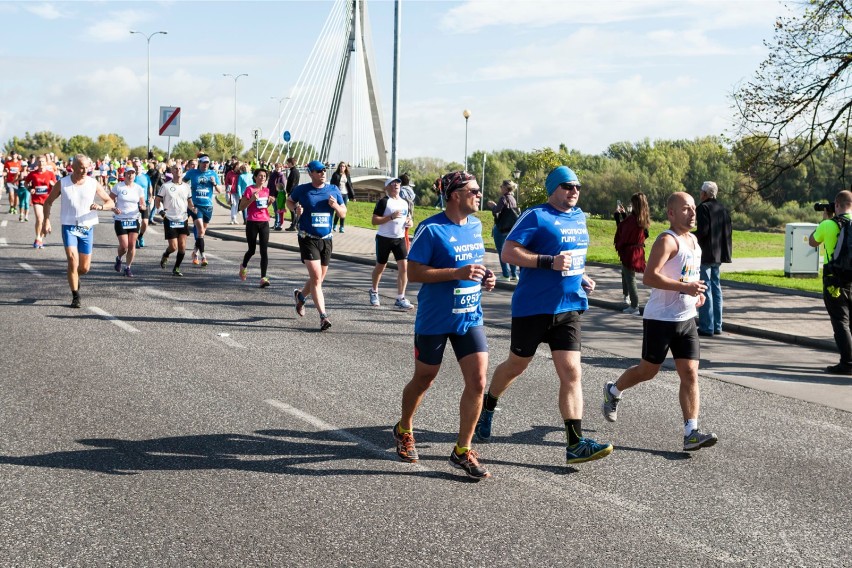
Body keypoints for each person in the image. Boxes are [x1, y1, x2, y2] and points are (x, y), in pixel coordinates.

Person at [474, 166, 613, 465]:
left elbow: (570, 255)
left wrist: (582, 275)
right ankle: (488, 405)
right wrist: (549, 262)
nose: (574, 190)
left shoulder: (579, 217)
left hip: (568, 307)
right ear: (553, 189)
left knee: (572, 372)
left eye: (577, 186)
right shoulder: (536, 215)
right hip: (533, 308)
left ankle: (574, 444)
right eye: (566, 186)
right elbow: (508, 253)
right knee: (516, 365)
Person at [393, 170, 497, 480]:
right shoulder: (431, 228)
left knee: (478, 381)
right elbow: (414, 272)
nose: (479, 194)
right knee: (425, 378)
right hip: (436, 318)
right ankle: (403, 428)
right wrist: (457, 273)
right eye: (473, 190)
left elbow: (474, 267)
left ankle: (462, 451)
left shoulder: (476, 225)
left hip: (469, 317)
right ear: (455, 195)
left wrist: (485, 277)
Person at [602, 192, 718, 451]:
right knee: (648, 371)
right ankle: (613, 391)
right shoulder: (667, 240)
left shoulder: (694, 242)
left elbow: (690, 276)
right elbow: (650, 278)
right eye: (685, 209)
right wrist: (685, 287)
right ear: (671, 214)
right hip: (660, 319)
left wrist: (696, 294)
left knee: (689, 374)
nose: (692, 213)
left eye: (693, 209)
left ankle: (691, 432)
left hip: (686, 319)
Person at [42, 154, 115, 308]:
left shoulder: (93, 183)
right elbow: (48, 202)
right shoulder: (63, 183)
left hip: (86, 226)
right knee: (72, 260)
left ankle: (73, 276)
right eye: (81, 167)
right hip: (69, 226)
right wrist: (46, 221)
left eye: (87, 167)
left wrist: (100, 207)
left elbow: (110, 202)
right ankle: (75, 296)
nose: (84, 170)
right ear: (73, 166)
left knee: (84, 268)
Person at [286, 160, 346, 331]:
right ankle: (323, 317)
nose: (322, 173)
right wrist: (296, 208)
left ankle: (300, 297)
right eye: (318, 171)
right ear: (310, 172)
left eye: (324, 170)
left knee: (317, 279)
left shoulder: (333, 189)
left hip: (326, 239)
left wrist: (335, 206)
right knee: (317, 278)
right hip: (308, 238)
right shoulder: (303, 190)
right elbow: (289, 201)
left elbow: (343, 213)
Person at [809, 190, 852, 375]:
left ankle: (847, 363)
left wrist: (825, 219)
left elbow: (812, 242)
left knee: (840, 321)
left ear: (836, 205)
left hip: (834, 281)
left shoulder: (828, 224)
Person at [369, 177, 413, 309]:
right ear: (387, 187)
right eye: (392, 183)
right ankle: (374, 291)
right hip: (384, 238)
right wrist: (390, 217)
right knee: (380, 267)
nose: (396, 185)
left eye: (398, 183)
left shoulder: (405, 203)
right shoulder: (384, 202)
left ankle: (400, 297)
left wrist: (410, 223)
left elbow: (409, 219)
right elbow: (374, 221)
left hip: (399, 239)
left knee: (404, 268)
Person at [695, 181, 732, 336]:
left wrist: (690, 236)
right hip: (719, 254)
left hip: (705, 253)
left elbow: (703, 231)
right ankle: (717, 325)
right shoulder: (723, 209)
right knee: (716, 289)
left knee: (706, 288)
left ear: (704, 193)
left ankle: (706, 326)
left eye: (701, 192)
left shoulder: (703, 208)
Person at [614, 192, 651, 315]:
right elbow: (636, 231)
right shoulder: (643, 218)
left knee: (630, 277)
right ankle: (626, 296)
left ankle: (634, 305)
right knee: (625, 273)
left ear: (635, 204)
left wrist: (617, 217)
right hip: (638, 250)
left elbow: (623, 230)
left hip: (629, 252)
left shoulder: (632, 219)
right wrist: (624, 215)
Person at [155, 163, 194, 277]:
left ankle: (176, 268)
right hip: (170, 218)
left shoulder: (186, 187)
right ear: (172, 171)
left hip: (183, 218)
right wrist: (160, 210)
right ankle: (166, 254)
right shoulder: (166, 186)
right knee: (173, 247)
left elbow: (190, 202)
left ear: (182, 171)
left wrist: (193, 208)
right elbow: (157, 200)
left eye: (180, 169)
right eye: (175, 169)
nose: (178, 170)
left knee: (182, 247)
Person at [183, 154, 220, 266]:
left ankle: (195, 252)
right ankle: (203, 256)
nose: (205, 165)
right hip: (195, 205)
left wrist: (214, 183)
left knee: (201, 233)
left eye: (207, 163)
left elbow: (219, 189)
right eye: (203, 163)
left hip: (208, 206)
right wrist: (187, 191)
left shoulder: (213, 174)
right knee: (201, 231)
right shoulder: (192, 172)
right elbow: (183, 183)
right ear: (199, 163)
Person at [109, 166, 147, 277]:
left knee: (132, 245)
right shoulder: (118, 187)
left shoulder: (138, 188)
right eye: (128, 173)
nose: (131, 175)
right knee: (124, 246)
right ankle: (119, 258)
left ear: (135, 175)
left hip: (134, 219)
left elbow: (143, 204)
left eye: (133, 173)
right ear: (124, 175)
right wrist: (113, 208)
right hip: (120, 219)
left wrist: (142, 207)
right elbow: (110, 200)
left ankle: (128, 267)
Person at [238, 168, 272, 288]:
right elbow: (241, 207)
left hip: (264, 222)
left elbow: (263, 207)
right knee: (251, 250)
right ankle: (243, 266)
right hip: (252, 222)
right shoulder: (249, 189)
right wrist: (251, 199)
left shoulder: (267, 190)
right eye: (260, 176)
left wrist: (269, 203)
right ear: (255, 177)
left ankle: (263, 278)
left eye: (264, 176)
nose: (262, 178)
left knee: (264, 251)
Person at [489, 179, 520, 281]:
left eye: (501, 186)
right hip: (511, 229)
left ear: (506, 188)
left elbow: (497, 211)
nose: (500, 188)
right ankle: (514, 275)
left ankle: (506, 275)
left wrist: (493, 206)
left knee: (501, 251)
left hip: (501, 228)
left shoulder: (503, 198)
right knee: (511, 251)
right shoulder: (513, 199)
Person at [131, 157, 151, 248]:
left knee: (145, 222)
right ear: (133, 167)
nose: (137, 168)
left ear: (141, 167)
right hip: (133, 203)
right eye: (135, 166)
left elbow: (149, 187)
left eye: (139, 166)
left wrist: (151, 196)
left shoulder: (146, 177)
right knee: (135, 223)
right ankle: (135, 239)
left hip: (144, 203)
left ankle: (141, 236)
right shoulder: (131, 177)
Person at [330, 161, 354, 232]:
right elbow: (332, 184)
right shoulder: (335, 174)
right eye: (341, 166)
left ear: (345, 167)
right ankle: (334, 225)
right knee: (338, 210)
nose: (342, 167)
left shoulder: (347, 174)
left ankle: (341, 227)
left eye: (343, 166)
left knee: (343, 211)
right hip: (338, 194)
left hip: (345, 194)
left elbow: (350, 185)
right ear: (339, 167)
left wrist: (352, 196)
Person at [399, 172, 416, 249]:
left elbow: (401, 203)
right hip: (409, 214)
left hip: (403, 214)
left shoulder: (402, 191)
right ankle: (406, 249)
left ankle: (406, 250)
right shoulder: (410, 190)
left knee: (403, 233)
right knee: (406, 232)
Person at [284, 157, 301, 231]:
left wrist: (289, 192)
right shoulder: (294, 171)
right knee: (294, 209)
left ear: (291, 163)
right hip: (293, 192)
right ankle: (295, 224)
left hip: (293, 193)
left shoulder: (294, 171)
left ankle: (294, 225)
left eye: (288, 162)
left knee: (293, 209)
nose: (287, 164)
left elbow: (293, 183)